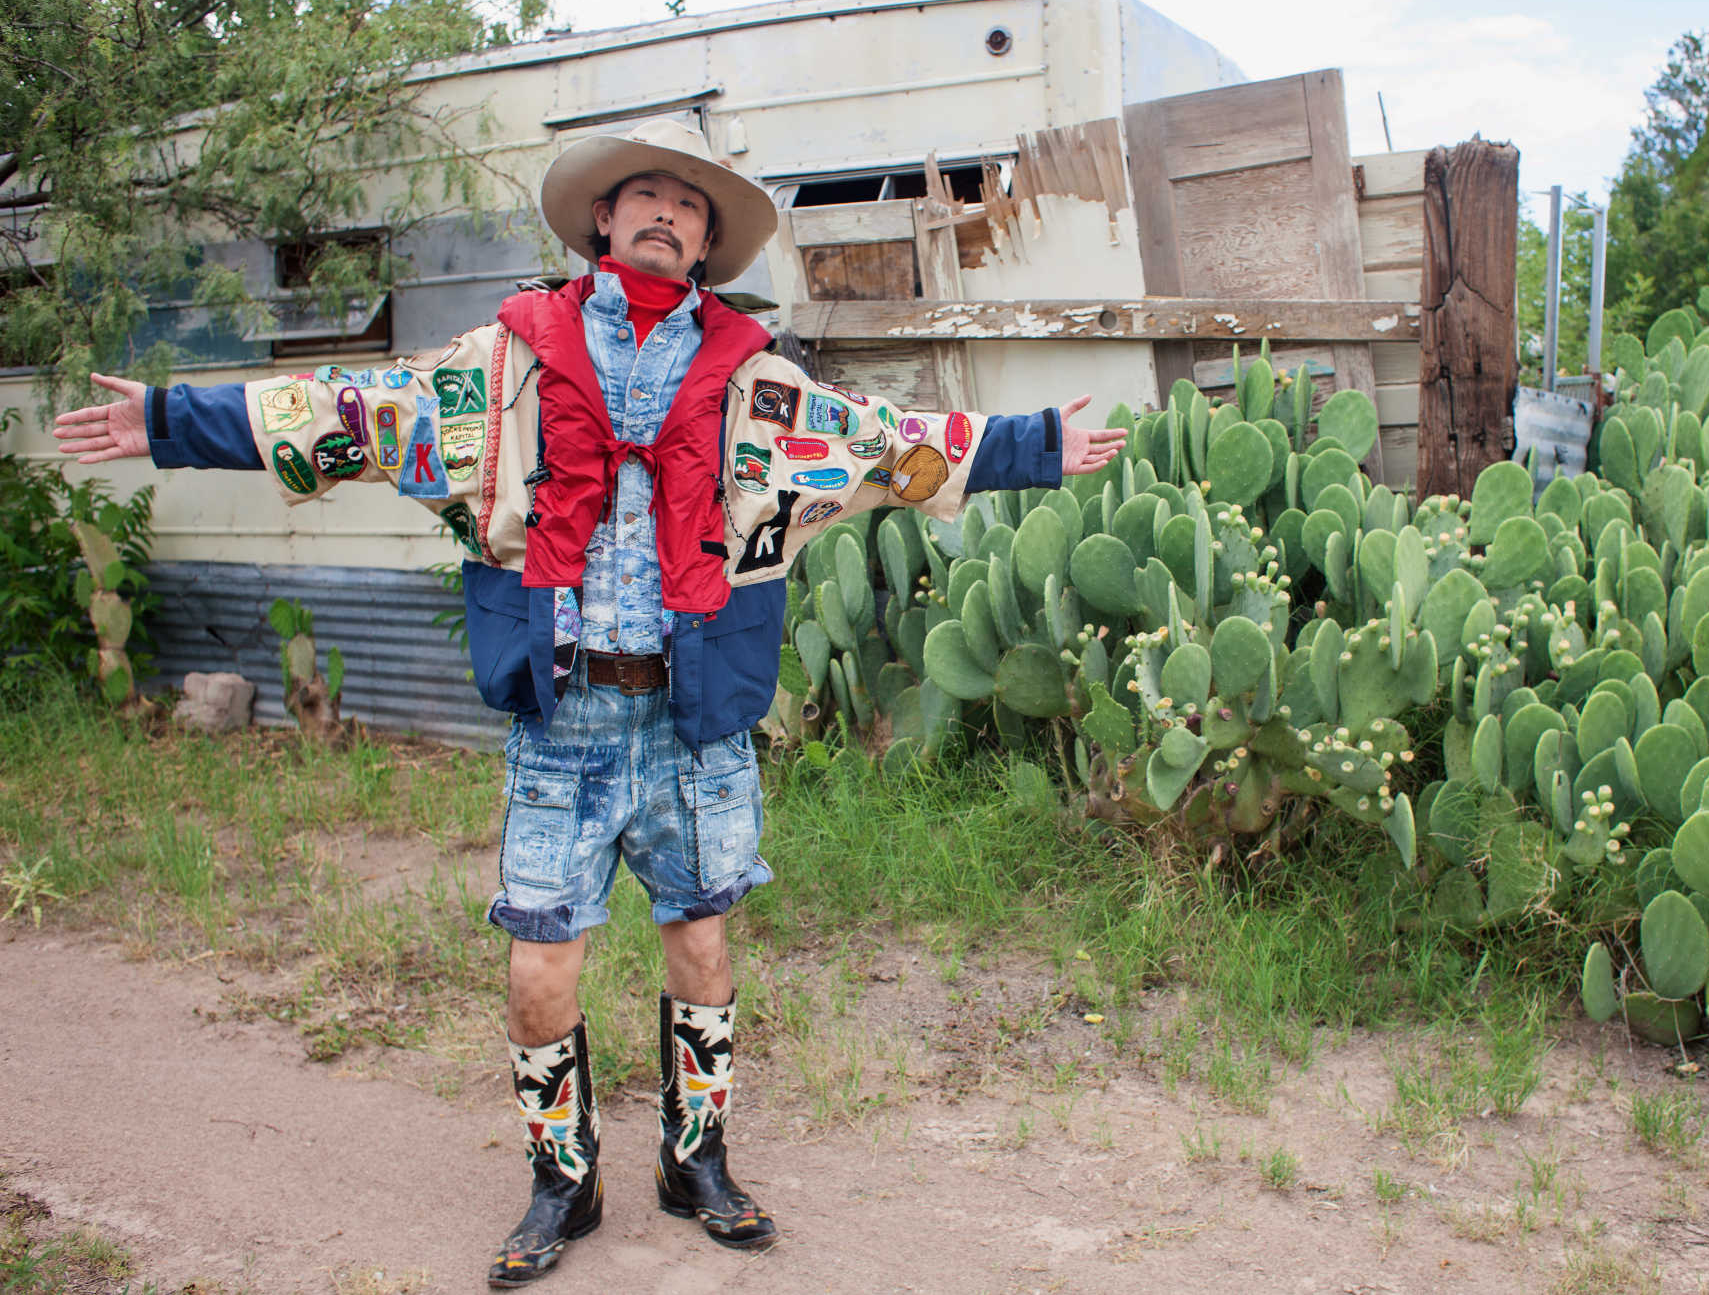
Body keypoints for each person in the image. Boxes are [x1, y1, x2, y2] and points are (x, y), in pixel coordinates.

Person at [54, 117, 1127, 1287]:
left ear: (708, 242)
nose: (666, 213)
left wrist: (1029, 443)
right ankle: (563, 1180)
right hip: (561, 720)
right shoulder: (505, 361)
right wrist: (170, 424)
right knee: (537, 969)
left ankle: (692, 1160)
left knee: (701, 942)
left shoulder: (763, 386)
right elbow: (353, 414)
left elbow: (892, 444)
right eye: (645, 197)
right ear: (602, 221)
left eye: (690, 205)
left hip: (692, 719)